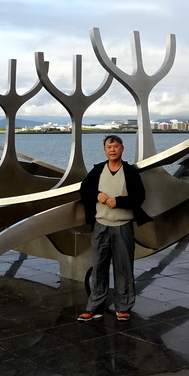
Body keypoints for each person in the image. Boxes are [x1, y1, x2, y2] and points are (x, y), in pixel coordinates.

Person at [77, 135, 151, 322]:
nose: (112, 150)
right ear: (104, 150)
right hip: (101, 225)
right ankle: (94, 307)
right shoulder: (97, 170)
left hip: (123, 226)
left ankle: (123, 306)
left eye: (116, 146)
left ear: (122, 149)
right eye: (109, 147)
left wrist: (119, 201)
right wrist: (97, 195)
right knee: (99, 267)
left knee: (124, 267)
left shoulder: (130, 172)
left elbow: (139, 196)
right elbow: (84, 189)